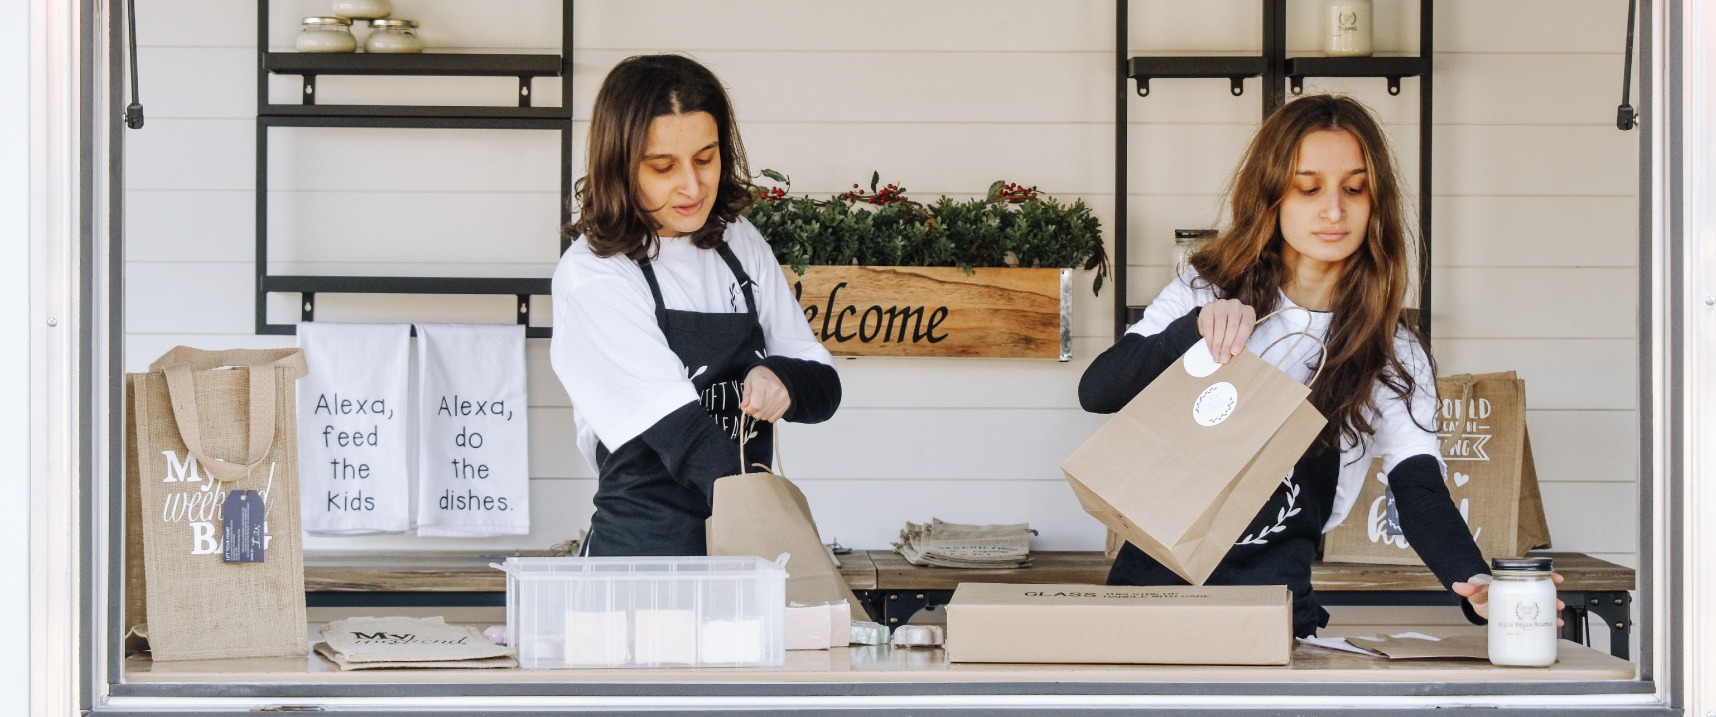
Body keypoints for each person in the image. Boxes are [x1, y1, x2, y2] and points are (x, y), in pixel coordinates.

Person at [1078, 94, 1560, 637]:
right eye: (1309, 188)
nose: (1334, 210)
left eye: (1354, 189)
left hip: (1277, 624)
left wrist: (1476, 584)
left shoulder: (1392, 351)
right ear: (1272, 196)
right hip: (1142, 611)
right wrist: (1194, 327)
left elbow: (1418, 487)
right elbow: (1098, 390)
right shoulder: (1205, 289)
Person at [550, 54, 841, 557]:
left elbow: (824, 388)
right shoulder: (595, 275)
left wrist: (783, 380)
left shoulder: (738, 242)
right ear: (619, 166)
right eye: (663, 167)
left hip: (744, 539)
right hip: (645, 557)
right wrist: (783, 541)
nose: (691, 186)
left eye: (705, 159)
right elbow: (685, 439)